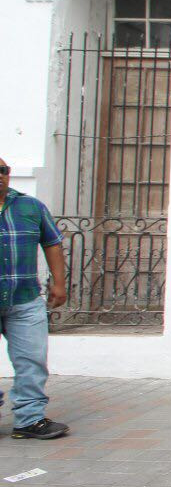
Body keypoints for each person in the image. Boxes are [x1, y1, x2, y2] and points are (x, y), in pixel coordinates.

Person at [0, 156, 69, 439]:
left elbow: (52, 243)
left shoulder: (30, 206)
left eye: (2, 170)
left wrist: (59, 283)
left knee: (32, 361)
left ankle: (29, 419)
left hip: (24, 300)